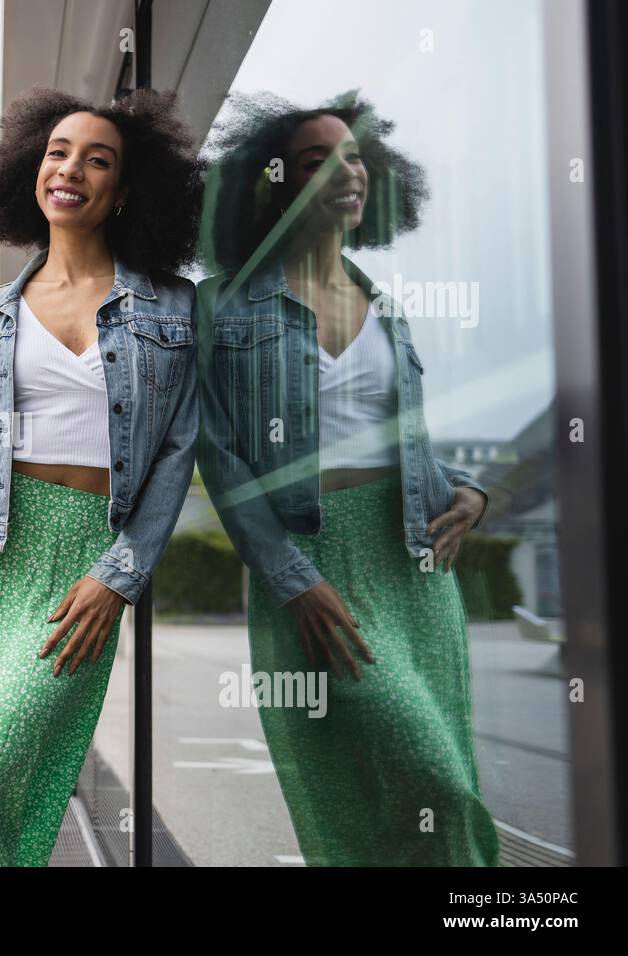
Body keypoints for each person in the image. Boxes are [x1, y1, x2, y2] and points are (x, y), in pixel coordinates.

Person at [0, 86, 203, 866]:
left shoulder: (175, 308)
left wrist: (120, 575)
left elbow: (175, 455)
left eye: (97, 160)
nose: (71, 169)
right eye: (57, 152)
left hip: (79, 568)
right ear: (31, 169)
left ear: (125, 190)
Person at [194, 90, 500, 866]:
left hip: (413, 564)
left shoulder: (387, 308)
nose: (345, 171)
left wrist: (468, 490)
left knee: (444, 782)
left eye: (355, 155)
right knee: (390, 775)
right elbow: (222, 462)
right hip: (311, 560)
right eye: (314, 161)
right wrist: (290, 577)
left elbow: (403, 444)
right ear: (276, 184)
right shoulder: (223, 309)